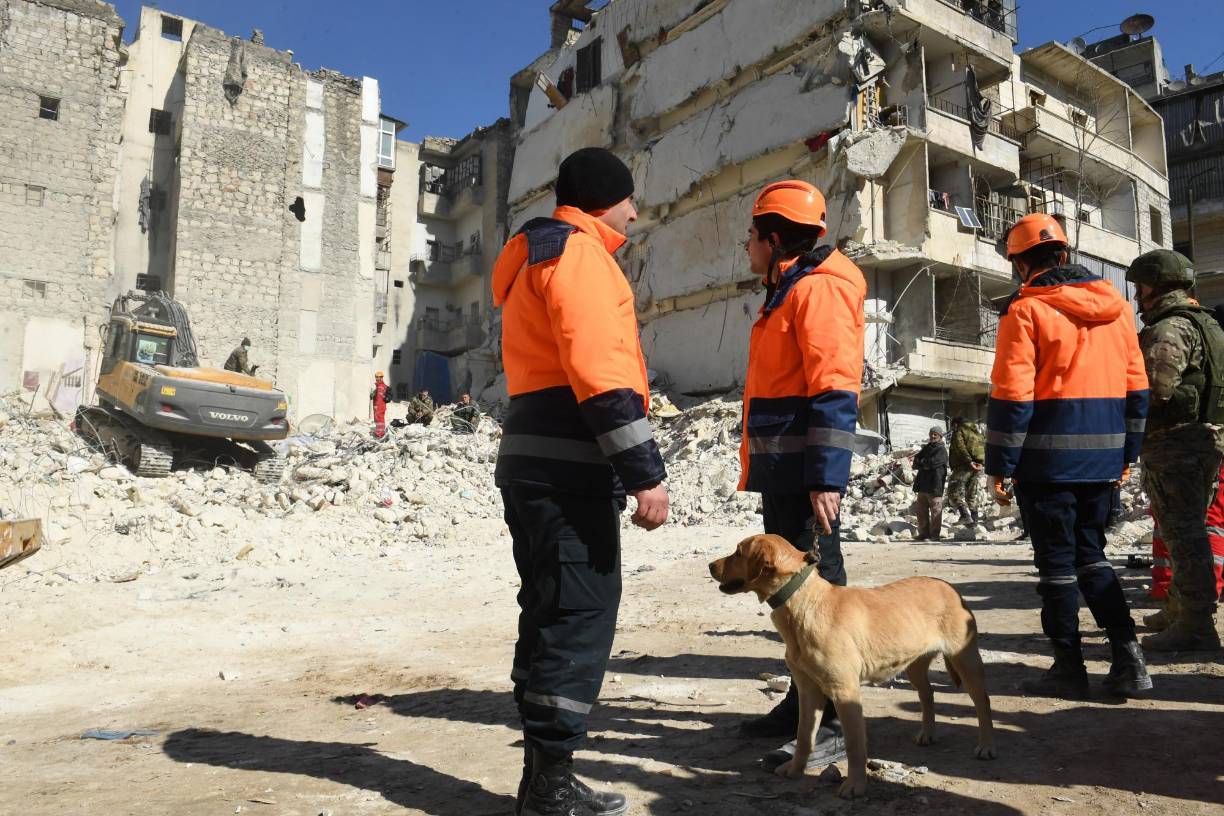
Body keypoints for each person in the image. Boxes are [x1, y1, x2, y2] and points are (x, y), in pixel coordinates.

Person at [491, 147, 669, 816]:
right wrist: (644, 473)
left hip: (530, 461)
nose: (634, 211)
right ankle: (550, 787)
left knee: (546, 612)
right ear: (604, 199)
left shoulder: (533, 256)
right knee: (578, 615)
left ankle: (545, 777)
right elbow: (603, 377)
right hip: (570, 469)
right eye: (628, 200)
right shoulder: (583, 256)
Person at [987, 213, 1151, 698]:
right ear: (1064, 254)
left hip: (1046, 463)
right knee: (1093, 556)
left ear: (1021, 265)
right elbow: (1136, 389)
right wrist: (1128, 454)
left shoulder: (1024, 311)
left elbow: (1013, 397)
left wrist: (1000, 464)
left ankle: (1068, 667)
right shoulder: (1119, 309)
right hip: (1102, 462)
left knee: (1056, 565)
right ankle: (1129, 658)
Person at [734, 179, 866, 773]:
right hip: (785, 472)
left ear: (776, 239)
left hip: (806, 475)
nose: (747, 248)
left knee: (820, 601)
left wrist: (826, 478)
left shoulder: (818, 292)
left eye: (753, 237)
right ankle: (799, 706)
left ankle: (836, 723)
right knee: (791, 605)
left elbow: (835, 389)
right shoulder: (788, 290)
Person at [1127, 248, 1223, 651]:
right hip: (1203, 440)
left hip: (1177, 443)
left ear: (1157, 286)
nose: (1136, 298)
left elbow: (1156, 391)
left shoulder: (1170, 329)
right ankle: (1178, 609)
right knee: (1185, 530)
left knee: (1185, 536)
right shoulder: (1207, 324)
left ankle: (1197, 625)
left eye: (1141, 288)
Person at [946, 416, 985, 525]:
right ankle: (975, 520)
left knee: (953, 491)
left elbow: (960, 446)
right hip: (978, 466)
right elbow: (984, 448)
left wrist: (969, 461)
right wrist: (981, 463)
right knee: (971, 493)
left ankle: (964, 516)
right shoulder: (977, 432)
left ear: (955, 424)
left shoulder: (959, 430)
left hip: (964, 466)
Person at [913, 426, 949, 541]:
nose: (933, 436)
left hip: (935, 485)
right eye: (931, 434)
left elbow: (933, 463)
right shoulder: (927, 447)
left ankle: (934, 535)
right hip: (923, 484)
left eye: (935, 434)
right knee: (921, 510)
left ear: (940, 436)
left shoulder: (941, 450)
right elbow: (917, 460)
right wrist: (923, 463)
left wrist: (923, 463)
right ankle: (923, 533)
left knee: (935, 510)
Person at [370, 371, 391, 439]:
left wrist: (376, 405)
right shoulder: (380, 386)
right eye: (376, 377)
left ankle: (379, 434)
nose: (376, 378)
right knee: (379, 420)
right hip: (381, 406)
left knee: (379, 420)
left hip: (379, 406)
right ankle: (380, 433)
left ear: (381, 378)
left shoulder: (380, 387)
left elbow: (379, 398)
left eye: (378, 377)